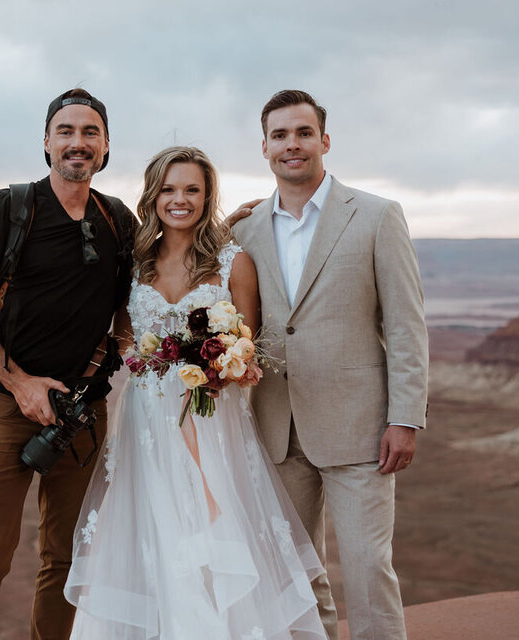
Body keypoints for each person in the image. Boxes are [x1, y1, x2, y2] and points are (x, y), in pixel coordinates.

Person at [64, 146, 328, 639]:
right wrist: (154, 356)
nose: (179, 199)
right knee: (155, 539)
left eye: (192, 189)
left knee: (210, 536)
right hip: (146, 421)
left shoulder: (234, 263)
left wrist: (212, 364)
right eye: (168, 189)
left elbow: (248, 346)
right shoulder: (135, 263)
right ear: (152, 196)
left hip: (210, 422)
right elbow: (124, 333)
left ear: (208, 197)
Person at [230, 90, 428, 640]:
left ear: (324, 140)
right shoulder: (244, 232)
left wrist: (405, 417)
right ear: (264, 146)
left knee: (368, 569)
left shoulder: (376, 216)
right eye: (279, 135)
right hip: (276, 424)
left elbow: (407, 326)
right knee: (294, 573)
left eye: (303, 133)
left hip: (361, 429)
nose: (291, 145)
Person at [0, 88, 135, 640]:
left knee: (67, 564)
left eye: (90, 132)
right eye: (66, 131)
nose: (78, 142)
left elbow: (142, 296)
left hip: (82, 415)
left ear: (105, 147)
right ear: (46, 142)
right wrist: (20, 383)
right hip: (6, 409)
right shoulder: (7, 209)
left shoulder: (117, 219)